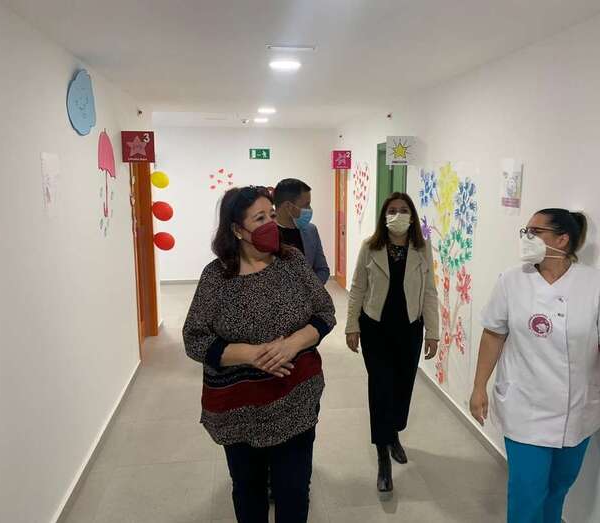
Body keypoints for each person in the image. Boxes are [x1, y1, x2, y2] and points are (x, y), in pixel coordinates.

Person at [469, 208, 600, 523]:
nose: (526, 238)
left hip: (576, 412)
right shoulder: (511, 280)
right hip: (524, 409)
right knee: (527, 495)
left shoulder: (598, 284)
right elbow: (493, 335)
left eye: (534, 232)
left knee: (558, 489)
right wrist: (479, 386)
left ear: (562, 239)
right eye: (525, 231)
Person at [183, 186, 336, 523]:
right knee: (248, 489)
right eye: (260, 218)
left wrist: (293, 343)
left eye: (271, 215)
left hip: (295, 399)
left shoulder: (292, 262)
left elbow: (325, 313)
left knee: (294, 490)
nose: (270, 224)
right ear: (238, 229)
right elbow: (194, 338)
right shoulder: (216, 276)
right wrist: (250, 354)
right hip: (240, 411)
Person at [344, 192, 440, 494]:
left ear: (411, 216)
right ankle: (382, 456)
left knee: (402, 387)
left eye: (403, 210)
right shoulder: (370, 247)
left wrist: (433, 331)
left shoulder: (422, 248)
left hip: (410, 328)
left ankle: (393, 433)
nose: (397, 215)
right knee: (380, 387)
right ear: (384, 216)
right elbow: (357, 287)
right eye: (392, 210)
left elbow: (430, 291)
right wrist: (351, 325)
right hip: (375, 328)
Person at [274, 178, 330, 285]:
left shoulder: (311, 230)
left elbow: (322, 270)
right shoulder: (265, 234)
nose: (310, 209)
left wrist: (310, 289)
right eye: (306, 205)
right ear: (288, 206)